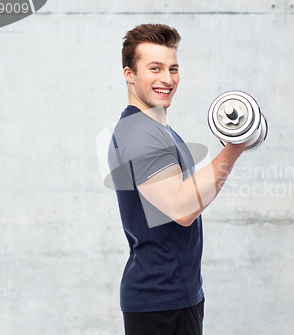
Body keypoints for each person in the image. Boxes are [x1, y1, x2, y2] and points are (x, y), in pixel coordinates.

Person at [108, 23, 247, 335]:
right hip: (160, 301)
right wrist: (234, 149)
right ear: (129, 74)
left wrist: (231, 147)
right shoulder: (139, 132)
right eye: (154, 68)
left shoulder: (159, 131)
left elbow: (185, 194)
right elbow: (182, 208)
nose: (167, 79)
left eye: (173, 68)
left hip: (177, 295)